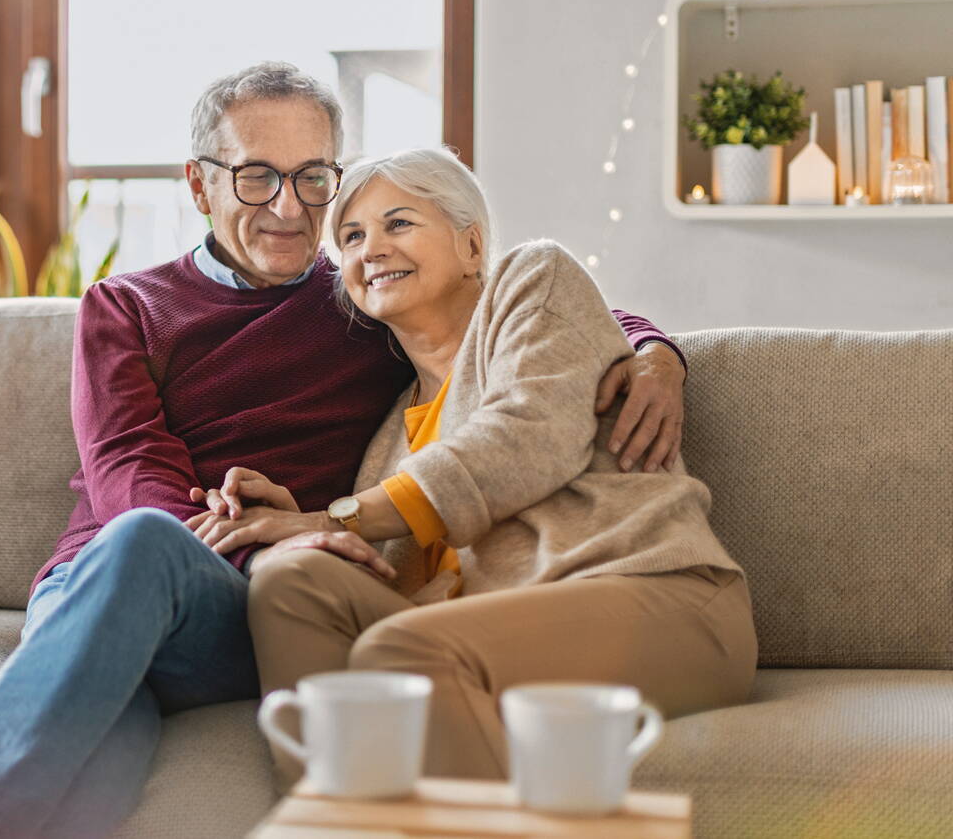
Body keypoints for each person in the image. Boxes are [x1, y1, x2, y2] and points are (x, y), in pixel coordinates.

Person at [0, 64, 688, 838]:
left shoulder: (360, 292)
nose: (287, 207)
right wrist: (276, 541)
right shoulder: (126, 306)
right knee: (131, 615)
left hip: (266, 608)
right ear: (198, 183)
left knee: (137, 627)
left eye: (312, 178)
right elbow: (127, 471)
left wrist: (656, 354)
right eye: (255, 177)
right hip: (115, 577)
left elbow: (525, 311)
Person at [190, 146, 756, 784]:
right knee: (291, 583)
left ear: (471, 245)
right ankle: (337, 814)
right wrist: (312, 534)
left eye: (399, 223)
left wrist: (340, 517)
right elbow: (408, 577)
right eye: (351, 236)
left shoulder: (533, 282)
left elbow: (524, 438)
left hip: (658, 597)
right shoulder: (386, 444)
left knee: (406, 651)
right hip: (498, 633)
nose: (370, 248)